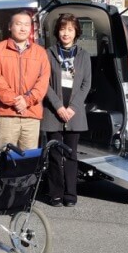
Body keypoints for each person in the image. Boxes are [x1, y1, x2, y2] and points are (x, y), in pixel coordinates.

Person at [41, 13, 92, 207]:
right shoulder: (48, 53)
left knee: (71, 155)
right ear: (57, 31)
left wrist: (72, 108)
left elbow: (86, 84)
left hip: (74, 113)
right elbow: (44, 84)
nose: (66, 33)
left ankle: (71, 195)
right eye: (63, 29)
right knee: (54, 154)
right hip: (53, 112)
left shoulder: (84, 55)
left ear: (76, 32)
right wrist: (58, 106)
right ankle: (55, 194)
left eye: (70, 29)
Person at [0, 10, 50, 151]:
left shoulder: (40, 52)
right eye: (18, 24)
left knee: (28, 161)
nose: (23, 28)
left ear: (31, 28)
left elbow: (43, 81)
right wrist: (16, 101)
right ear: (10, 26)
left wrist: (27, 101)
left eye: (27, 25)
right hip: (7, 115)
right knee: (4, 159)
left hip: (31, 115)